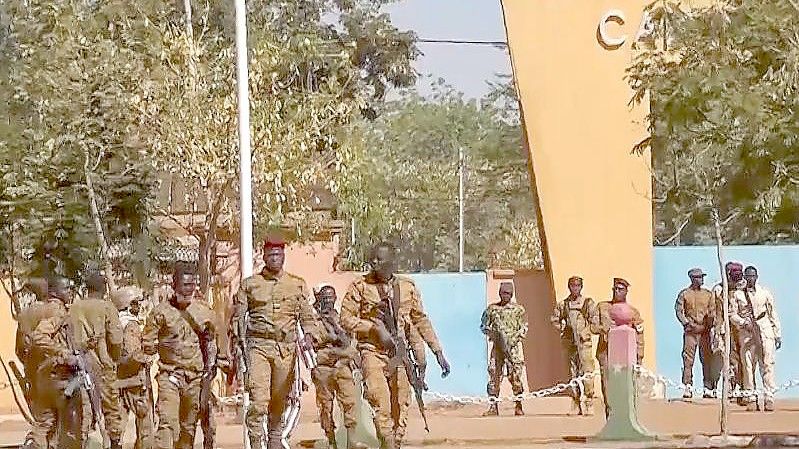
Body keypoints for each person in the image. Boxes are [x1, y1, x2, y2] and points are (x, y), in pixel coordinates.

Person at [340, 242, 451, 449]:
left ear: (392, 262)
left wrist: (438, 352)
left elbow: (420, 320)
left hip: (399, 353)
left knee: (401, 406)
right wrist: (372, 327)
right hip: (371, 351)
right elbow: (345, 319)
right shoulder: (360, 286)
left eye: (380, 259)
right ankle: (388, 443)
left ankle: (394, 443)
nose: (374, 263)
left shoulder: (407, 287)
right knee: (380, 404)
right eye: (373, 259)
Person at [232, 235, 318, 449]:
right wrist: (236, 347)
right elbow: (238, 319)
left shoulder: (296, 284)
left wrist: (309, 335)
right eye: (271, 255)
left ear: (284, 256)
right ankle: (254, 441)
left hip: (286, 349)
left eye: (278, 254)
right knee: (259, 401)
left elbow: (307, 315)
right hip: (258, 347)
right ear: (264, 256)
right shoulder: (250, 285)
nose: (275, 259)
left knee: (279, 401)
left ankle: (274, 440)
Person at [143, 263, 214, 449]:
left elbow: (215, 342)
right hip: (170, 377)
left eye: (192, 284)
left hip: (196, 379)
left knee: (188, 428)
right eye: (184, 285)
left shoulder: (204, 311)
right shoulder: (160, 312)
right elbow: (147, 344)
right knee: (167, 424)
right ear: (174, 286)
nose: (189, 289)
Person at [69, 271, 124, 449]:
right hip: (103, 366)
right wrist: (114, 359)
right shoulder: (107, 307)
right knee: (111, 409)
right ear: (104, 288)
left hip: (79, 366)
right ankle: (115, 443)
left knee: (83, 410)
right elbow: (116, 340)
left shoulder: (74, 308)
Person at [29, 276, 85, 449]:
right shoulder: (57, 311)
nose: (70, 292)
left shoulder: (35, 310)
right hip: (59, 377)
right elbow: (39, 336)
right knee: (67, 425)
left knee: (44, 424)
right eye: (66, 288)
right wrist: (63, 353)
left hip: (43, 375)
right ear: (55, 292)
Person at [311, 284, 365, 449]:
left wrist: (335, 329)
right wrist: (333, 338)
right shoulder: (314, 321)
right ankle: (331, 440)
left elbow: (349, 342)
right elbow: (317, 341)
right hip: (324, 368)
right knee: (325, 406)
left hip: (342, 366)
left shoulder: (342, 318)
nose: (328, 301)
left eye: (330, 297)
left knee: (350, 403)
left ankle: (351, 441)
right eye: (324, 298)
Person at [592, 278, 644, 418]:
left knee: (627, 385)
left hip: (626, 354)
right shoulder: (602, 307)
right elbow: (593, 327)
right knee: (607, 385)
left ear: (626, 291)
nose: (617, 292)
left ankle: (629, 416)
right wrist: (605, 329)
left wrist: (639, 356)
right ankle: (611, 416)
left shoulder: (632, 312)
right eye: (615, 289)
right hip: (606, 352)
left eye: (620, 289)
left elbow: (639, 334)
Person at [113, 286, 154, 449]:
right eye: (136, 303)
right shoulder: (130, 325)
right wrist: (148, 357)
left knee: (117, 425)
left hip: (119, 381)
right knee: (145, 425)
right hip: (135, 382)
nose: (139, 307)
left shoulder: (116, 324)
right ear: (128, 305)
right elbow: (133, 353)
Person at [736, 266, 781, 412]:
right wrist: (743, 322)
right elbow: (731, 314)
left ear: (757, 276)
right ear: (744, 277)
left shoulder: (765, 293)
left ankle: (769, 398)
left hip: (764, 329)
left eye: (753, 276)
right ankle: (751, 398)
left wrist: (777, 333)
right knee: (748, 366)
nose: (751, 278)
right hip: (747, 332)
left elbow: (772, 313)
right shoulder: (738, 295)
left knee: (767, 364)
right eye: (748, 276)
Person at [550, 276, 597, 416]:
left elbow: (594, 320)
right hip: (570, 342)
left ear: (581, 287)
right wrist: (563, 328)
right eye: (572, 285)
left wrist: (586, 332)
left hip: (584, 344)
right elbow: (554, 319)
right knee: (572, 373)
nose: (574, 288)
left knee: (588, 372)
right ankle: (576, 402)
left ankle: (589, 402)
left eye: (577, 285)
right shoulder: (563, 304)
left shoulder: (587, 303)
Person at [481, 282, 528, 417]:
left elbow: (524, 327)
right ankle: (493, 407)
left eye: (507, 293)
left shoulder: (518, 310)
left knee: (515, 376)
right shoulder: (492, 309)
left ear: (511, 294)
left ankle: (518, 405)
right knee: (494, 374)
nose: (504, 295)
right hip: (497, 348)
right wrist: (493, 334)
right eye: (502, 293)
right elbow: (483, 325)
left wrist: (514, 339)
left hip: (512, 349)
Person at [675, 268, 715, 399]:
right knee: (688, 360)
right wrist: (686, 323)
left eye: (702, 277)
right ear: (692, 278)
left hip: (704, 331)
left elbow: (712, 310)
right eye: (698, 277)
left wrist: (709, 322)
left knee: (707, 360)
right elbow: (679, 310)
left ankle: (708, 387)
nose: (701, 279)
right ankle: (687, 386)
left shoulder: (708, 294)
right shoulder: (684, 294)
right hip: (690, 331)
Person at [712, 262, 747, 399]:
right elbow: (715, 311)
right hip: (726, 330)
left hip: (743, 329)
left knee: (745, 360)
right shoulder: (719, 290)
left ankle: (746, 390)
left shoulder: (745, 289)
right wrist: (717, 329)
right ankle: (732, 388)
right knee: (730, 360)